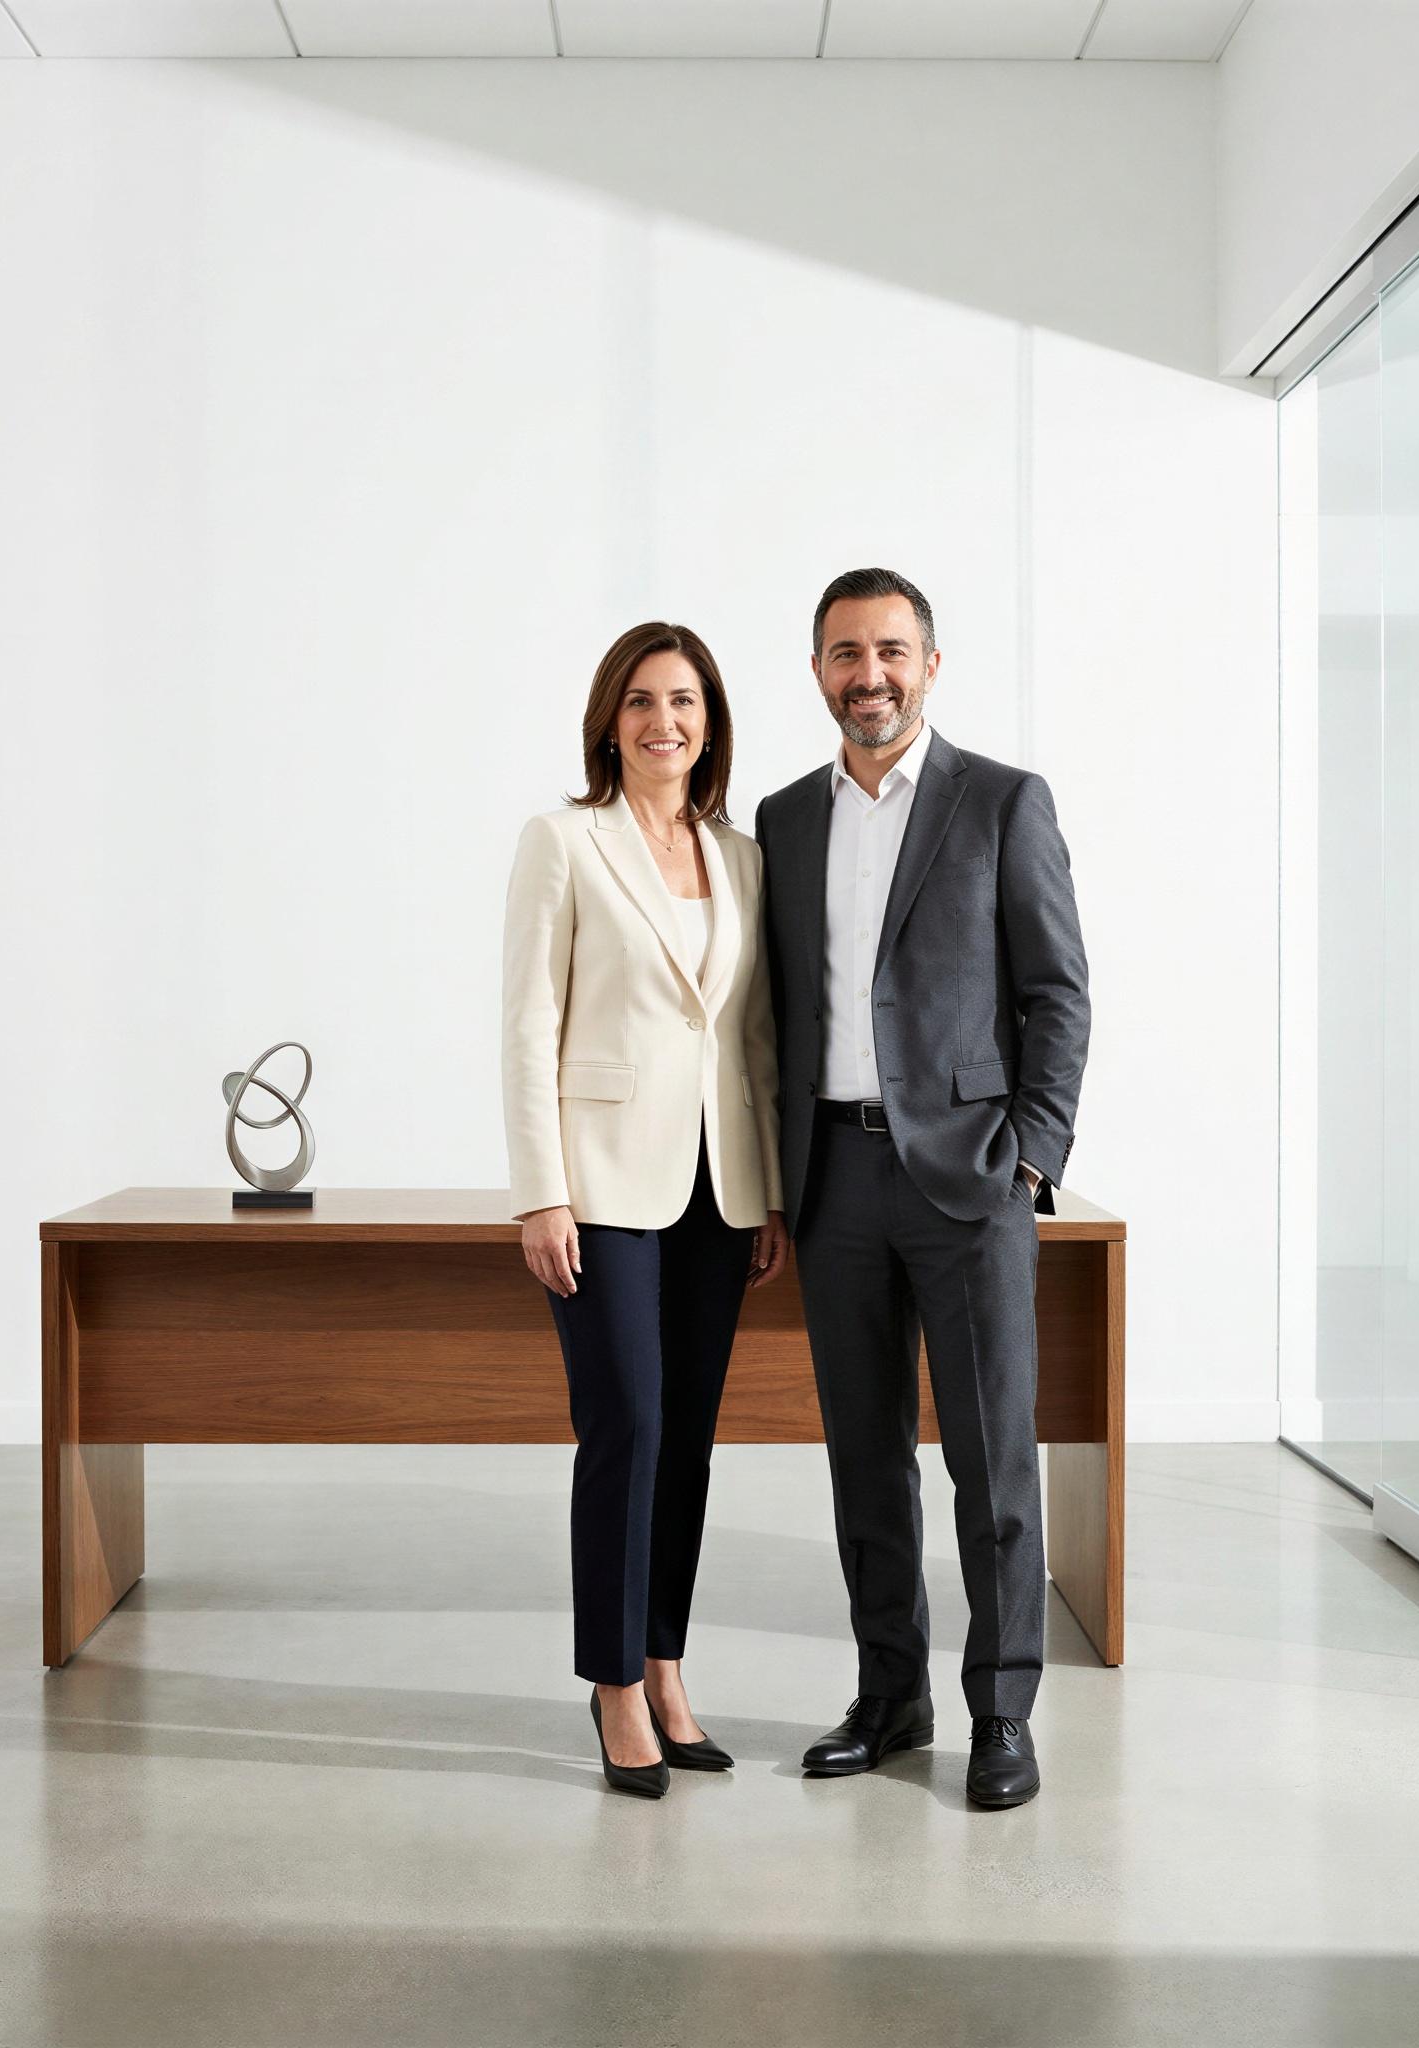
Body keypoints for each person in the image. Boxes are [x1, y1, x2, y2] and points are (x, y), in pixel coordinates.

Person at [754, 567, 1090, 1809]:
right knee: (863, 1455)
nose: (870, 674)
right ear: (818, 672)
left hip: (970, 1184)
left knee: (992, 1460)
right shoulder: (784, 820)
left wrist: (1036, 1153)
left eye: (891, 649)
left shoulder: (1001, 801)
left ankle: (999, 1710)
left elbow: (1056, 989)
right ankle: (887, 1695)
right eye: (845, 653)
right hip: (832, 1179)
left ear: (931, 664)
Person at [502, 621, 789, 1799]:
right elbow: (527, 1023)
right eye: (638, 701)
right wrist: (541, 1191)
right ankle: (611, 1682)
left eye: (681, 699)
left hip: (719, 1186)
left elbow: (752, 1036)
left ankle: (666, 1666)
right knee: (624, 1420)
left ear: (709, 719)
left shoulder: (741, 854)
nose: (660, 720)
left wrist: (765, 1185)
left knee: (688, 1434)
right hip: (605, 1182)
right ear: (607, 721)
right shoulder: (563, 841)